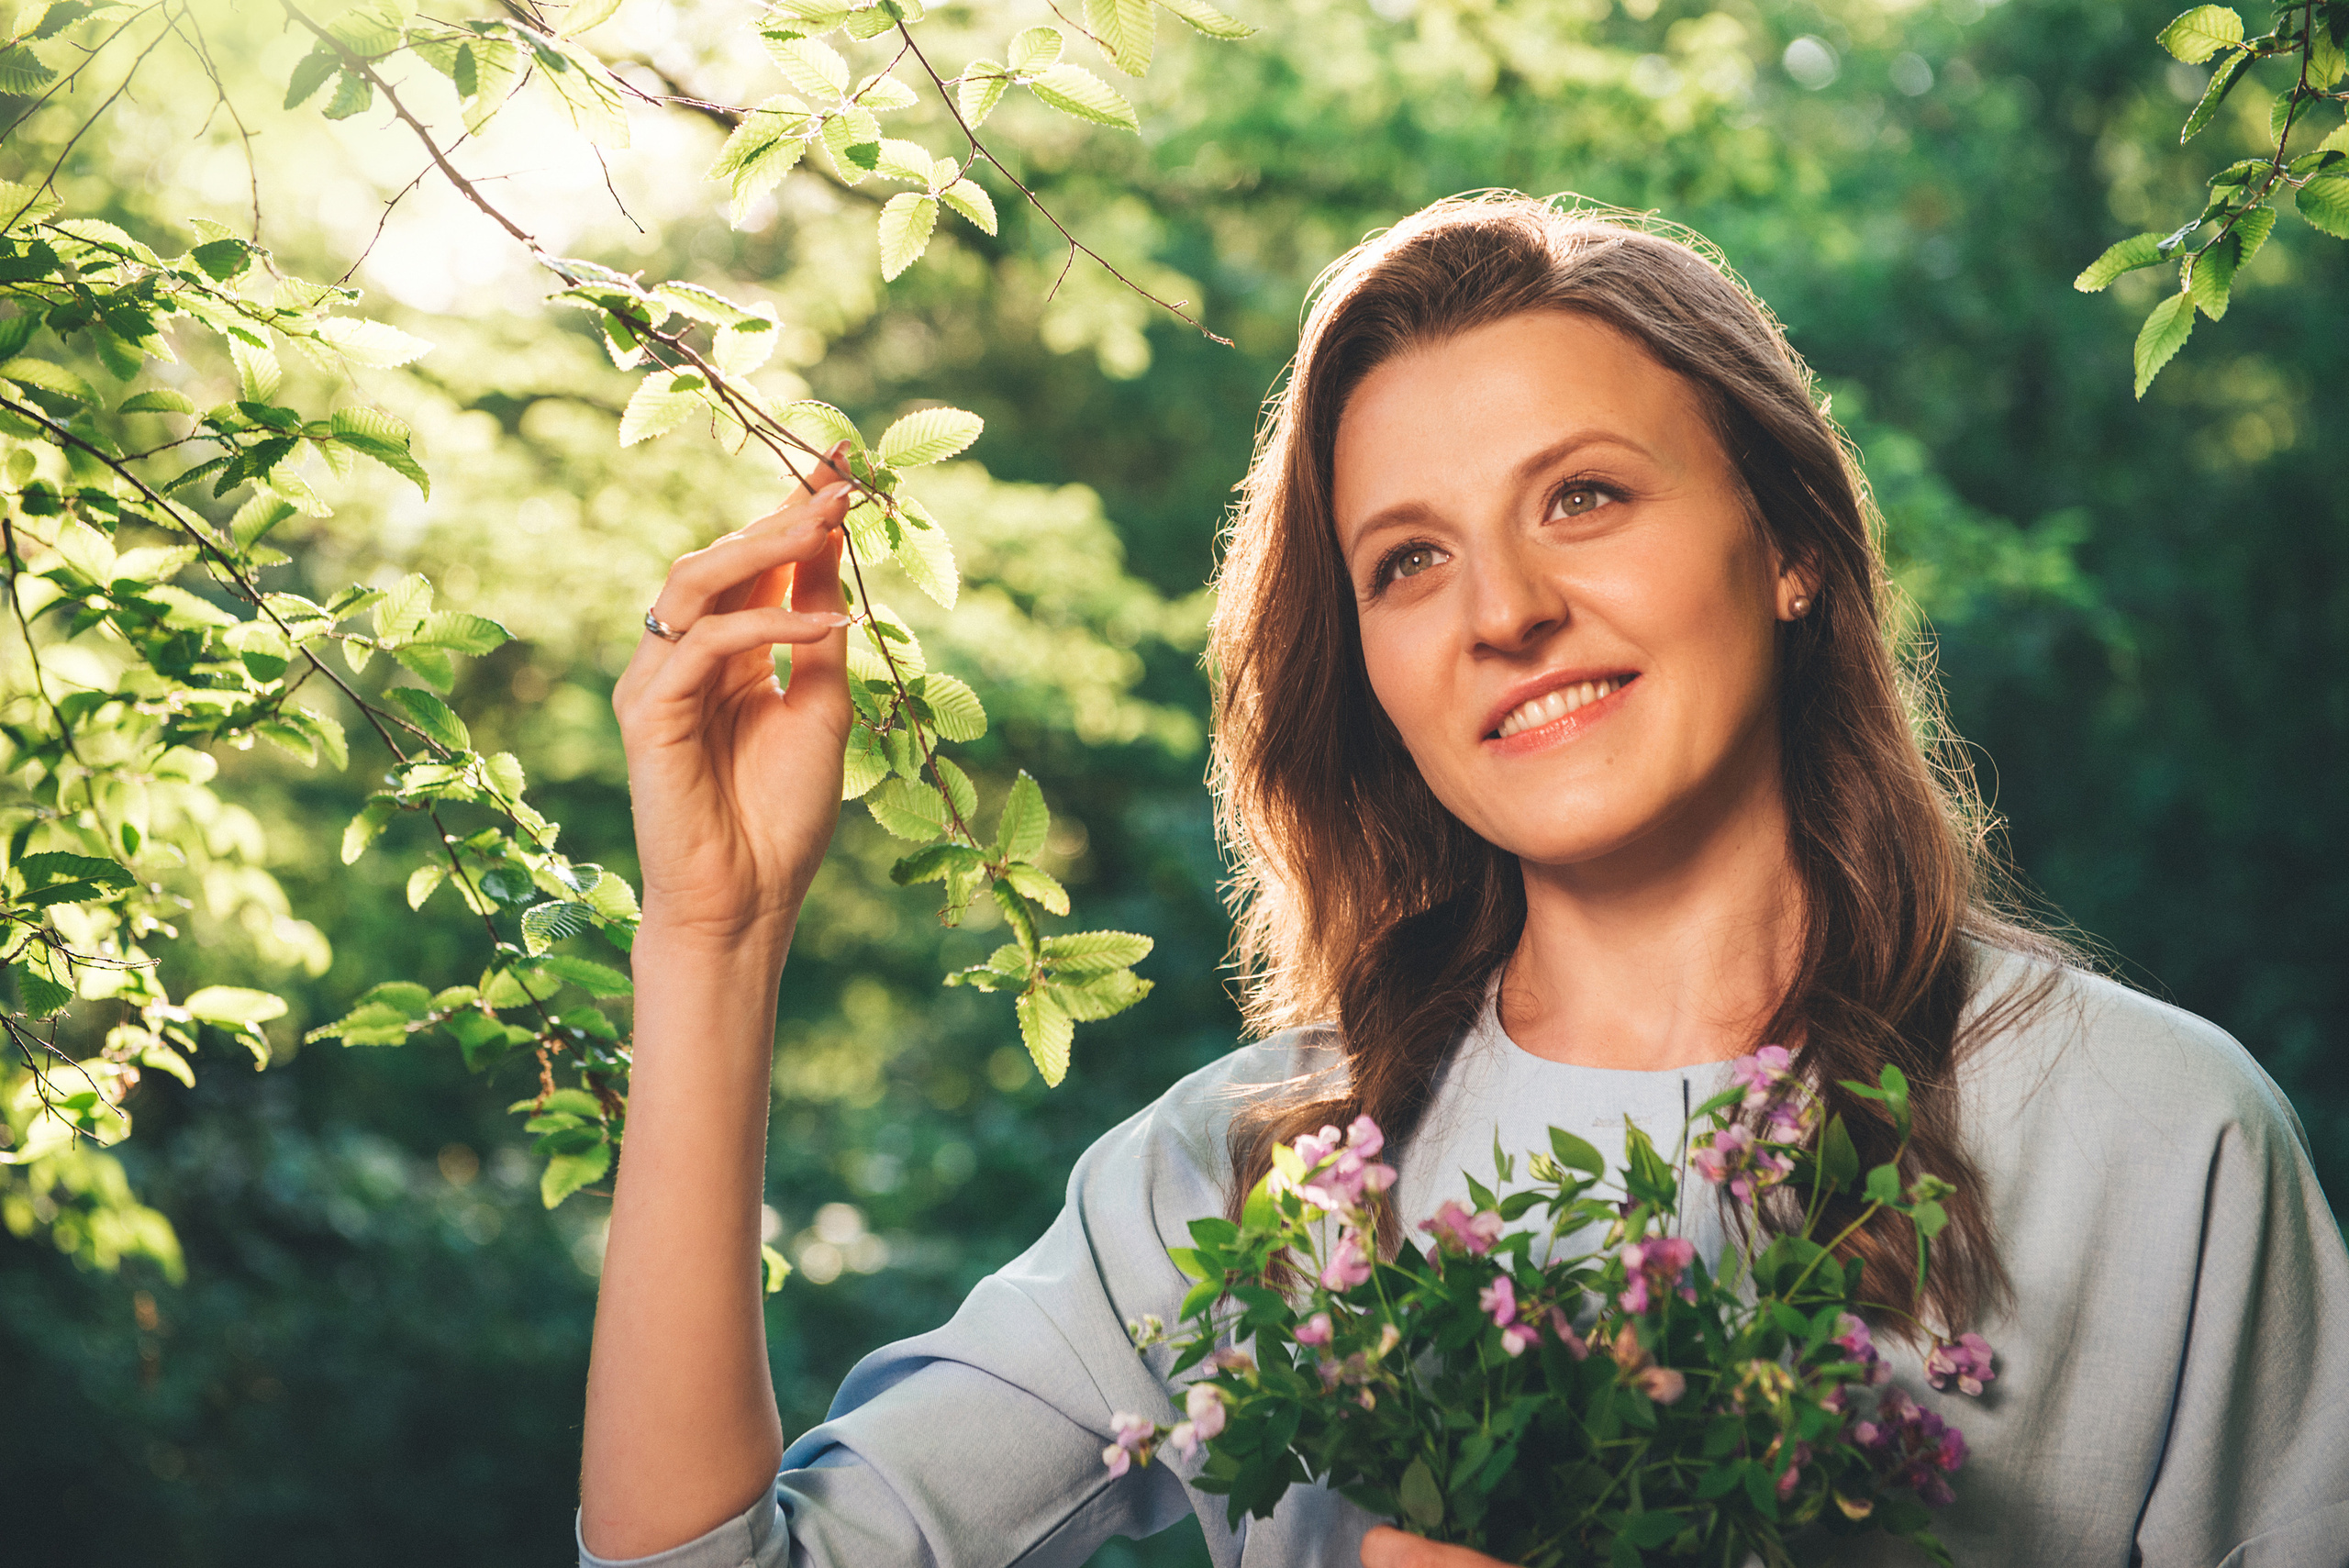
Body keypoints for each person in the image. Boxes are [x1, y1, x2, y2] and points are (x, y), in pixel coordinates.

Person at [579, 196, 2349, 1568]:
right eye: (1409, 559)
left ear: (1793, 544)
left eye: (1583, 496)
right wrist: (713, 939)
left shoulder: (2156, 1135)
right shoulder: (1253, 1178)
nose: (1503, 609)